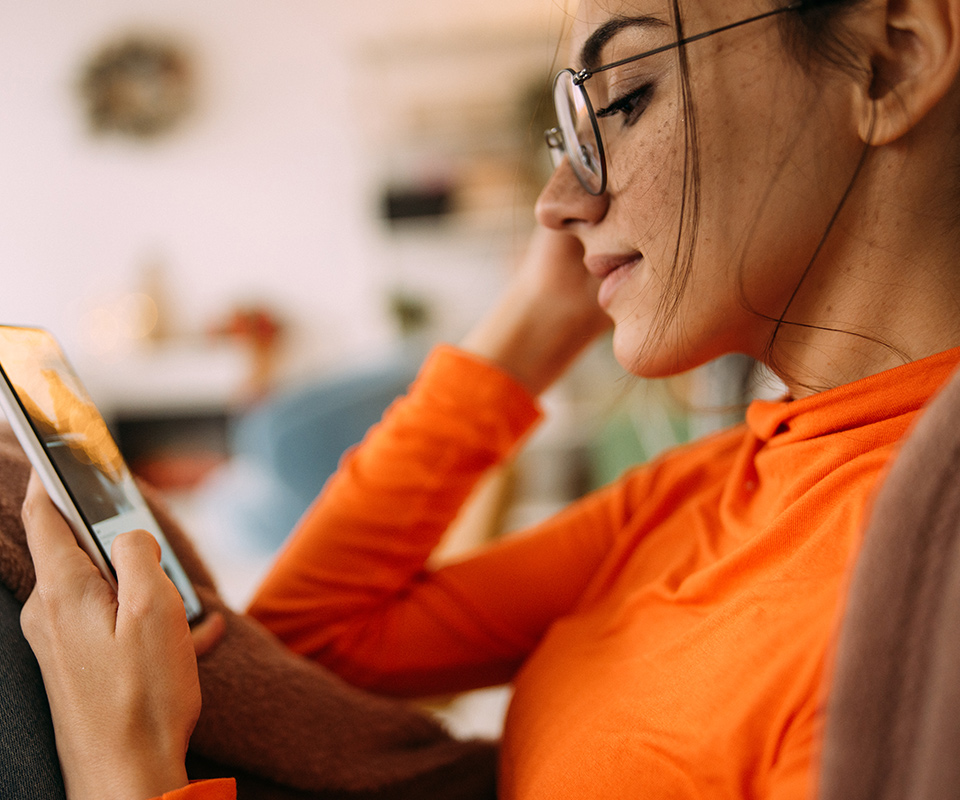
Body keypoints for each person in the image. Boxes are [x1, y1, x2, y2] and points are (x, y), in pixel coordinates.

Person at [19, 0, 960, 797]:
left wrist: (125, 773)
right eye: (568, 135)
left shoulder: (921, 603)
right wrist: (531, 330)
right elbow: (312, 646)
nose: (555, 201)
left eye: (625, 100)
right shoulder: (725, 479)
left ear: (891, 61)